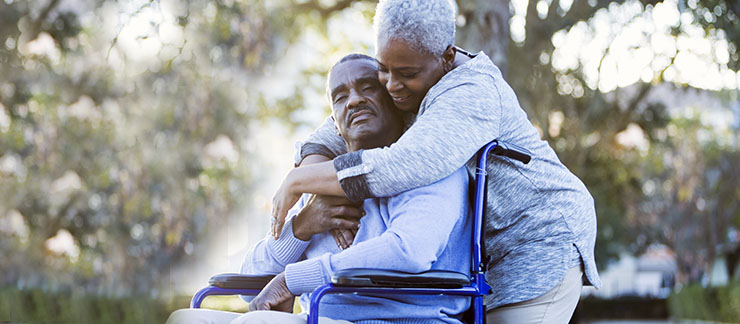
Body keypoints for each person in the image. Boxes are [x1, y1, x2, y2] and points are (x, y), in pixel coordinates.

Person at [270, 1, 601, 323]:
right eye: (383, 70)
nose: (391, 86)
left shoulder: (470, 92)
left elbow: (400, 166)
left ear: (446, 57)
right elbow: (333, 129)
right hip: (483, 253)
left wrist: (299, 182)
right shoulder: (409, 76)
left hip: (537, 237)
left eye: (406, 74)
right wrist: (314, 186)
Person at [167, 53, 472, 324]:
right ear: (335, 124)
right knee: (186, 318)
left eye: (367, 88)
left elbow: (410, 250)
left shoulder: (430, 161)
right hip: (319, 318)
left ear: (394, 99)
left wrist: (292, 279)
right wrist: (302, 226)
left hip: (403, 319)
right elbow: (251, 282)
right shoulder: (322, 181)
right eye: (340, 97)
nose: (353, 100)